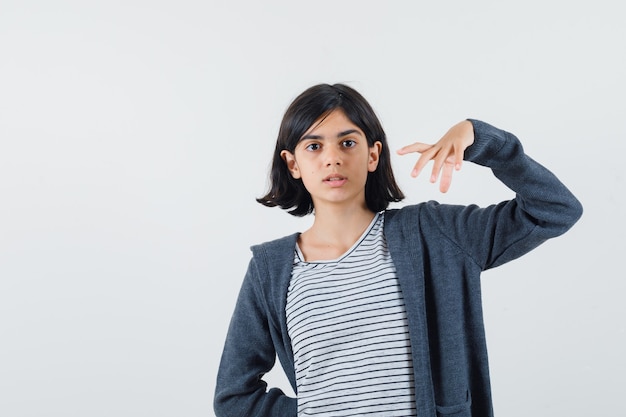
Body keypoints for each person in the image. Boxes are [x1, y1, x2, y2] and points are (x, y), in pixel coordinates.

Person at [213, 83, 582, 417]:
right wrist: (313, 409)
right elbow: (234, 397)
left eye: (347, 142)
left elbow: (554, 209)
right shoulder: (271, 270)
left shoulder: (434, 234)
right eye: (313, 146)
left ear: (373, 155)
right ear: (293, 164)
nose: (332, 158)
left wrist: (481, 140)